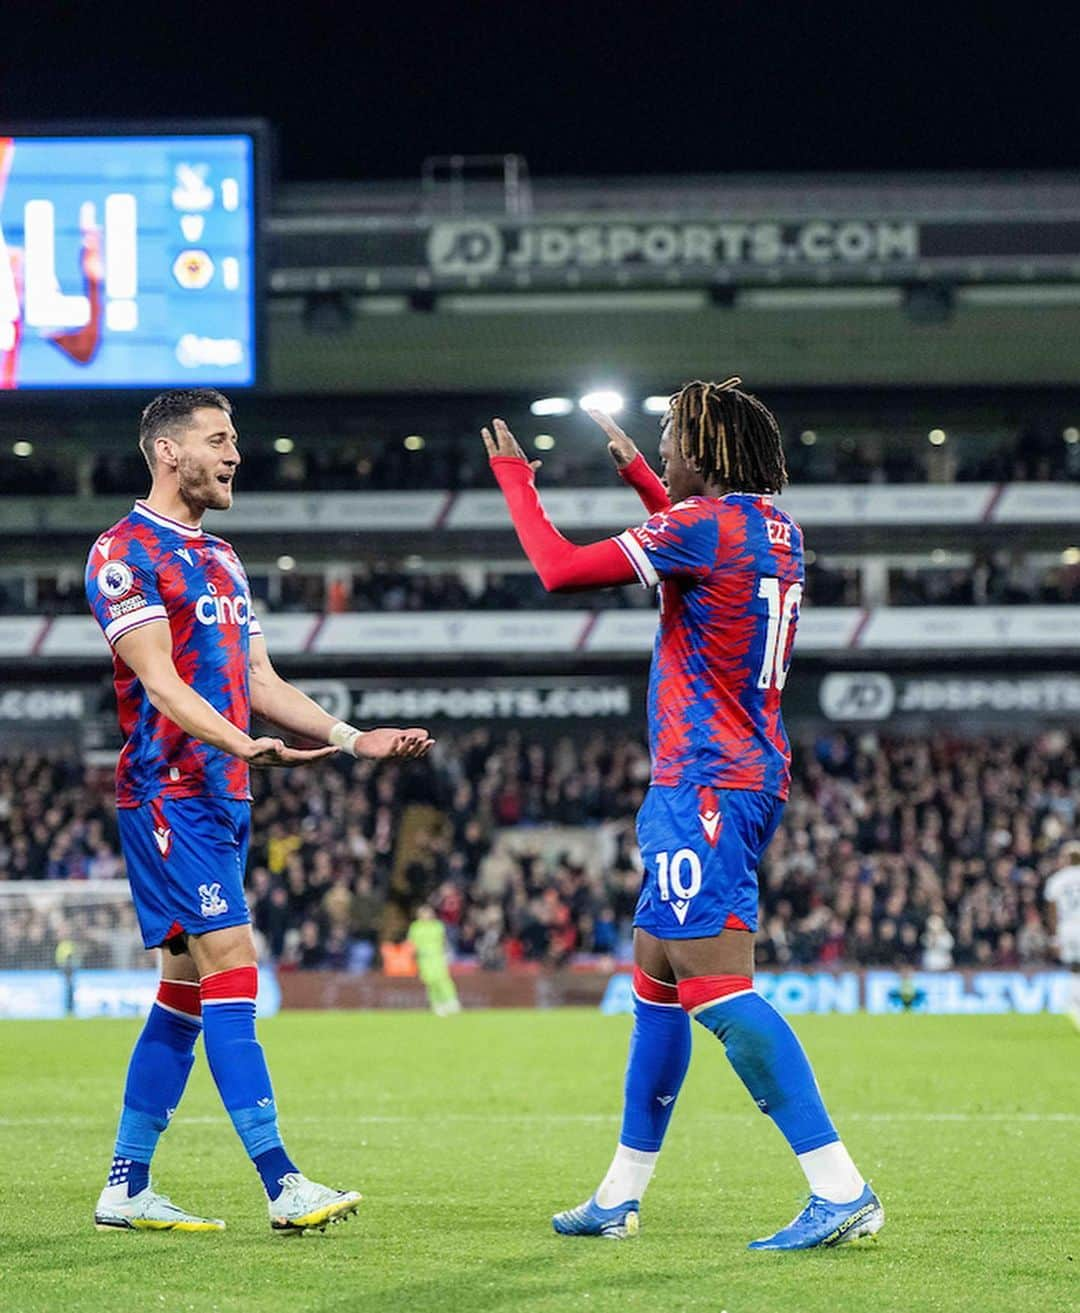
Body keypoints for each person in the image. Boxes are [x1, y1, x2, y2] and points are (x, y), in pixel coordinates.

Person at [482, 379, 882, 1251]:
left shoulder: (701, 527)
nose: (661, 445)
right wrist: (633, 469)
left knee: (716, 987)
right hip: (740, 770)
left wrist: (516, 478)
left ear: (703, 452)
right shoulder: (772, 525)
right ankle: (620, 1193)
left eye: (669, 437)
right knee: (659, 978)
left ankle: (839, 1184)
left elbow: (557, 568)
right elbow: (699, 532)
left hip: (703, 779)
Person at [85, 389, 433, 1235]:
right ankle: (282, 1182)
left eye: (234, 437)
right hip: (170, 796)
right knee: (234, 965)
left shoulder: (226, 560)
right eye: (218, 438)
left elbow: (261, 684)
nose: (235, 452)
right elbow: (161, 683)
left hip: (222, 794)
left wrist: (356, 739)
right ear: (168, 453)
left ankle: (126, 1185)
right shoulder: (123, 552)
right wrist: (241, 745)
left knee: (184, 991)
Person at [1044, 840, 1080, 1029]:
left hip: (1067, 928)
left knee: (1074, 967)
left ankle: (1074, 1003)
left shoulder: (1057, 879)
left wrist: (1054, 937)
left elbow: (1052, 909)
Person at [407, 904, 461, 1015]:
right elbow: (411, 943)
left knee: (442, 979)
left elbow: (442, 940)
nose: (426, 916)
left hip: (437, 956)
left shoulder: (437, 925)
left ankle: (451, 1001)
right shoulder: (415, 927)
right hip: (423, 959)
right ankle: (437, 1004)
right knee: (430, 981)